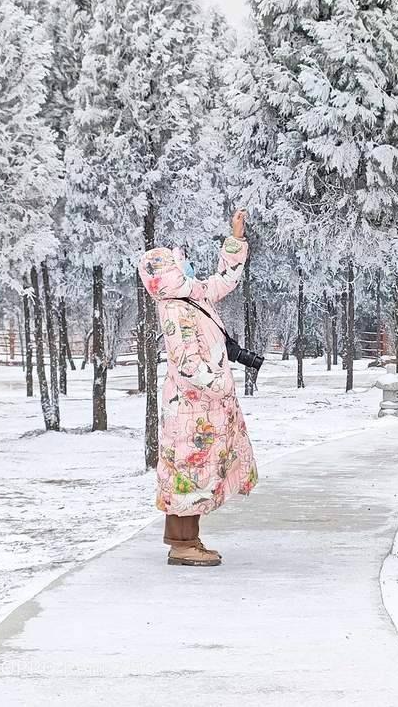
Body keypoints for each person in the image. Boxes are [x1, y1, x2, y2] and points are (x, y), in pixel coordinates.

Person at [138, 209, 258, 566]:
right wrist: (220, 384)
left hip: (203, 406)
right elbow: (187, 362)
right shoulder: (176, 309)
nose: (186, 265)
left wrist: (235, 239)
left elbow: (224, 280)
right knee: (188, 470)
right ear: (169, 274)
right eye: (180, 263)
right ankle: (182, 545)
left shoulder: (193, 297)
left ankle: (188, 540)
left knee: (197, 469)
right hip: (192, 407)